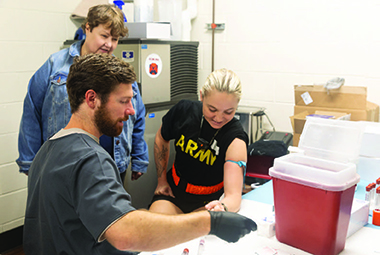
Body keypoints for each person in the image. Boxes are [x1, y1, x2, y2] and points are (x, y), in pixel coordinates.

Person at [23, 53, 257, 255]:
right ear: (92, 98)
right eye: (124, 101)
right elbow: (126, 233)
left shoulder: (48, 149)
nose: (132, 110)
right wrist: (211, 222)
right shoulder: (90, 159)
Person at [16, 4, 148, 182]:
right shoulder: (55, 66)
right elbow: (32, 113)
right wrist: (30, 162)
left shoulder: (120, 73)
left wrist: (139, 157)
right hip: (64, 166)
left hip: (111, 165)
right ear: (88, 28)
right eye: (104, 36)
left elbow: (136, 114)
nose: (109, 44)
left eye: (115, 39)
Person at [149, 68, 248, 214]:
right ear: (202, 96)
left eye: (228, 112)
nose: (219, 118)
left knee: (192, 233)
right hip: (173, 193)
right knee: (155, 227)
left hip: (209, 203)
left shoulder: (235, 139)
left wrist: (223, 207)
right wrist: (161, 180)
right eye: (212, 109)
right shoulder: (183, 111)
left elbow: (233, 196)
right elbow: (162, 137)